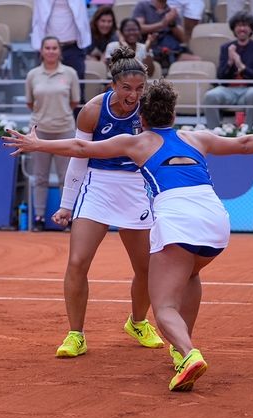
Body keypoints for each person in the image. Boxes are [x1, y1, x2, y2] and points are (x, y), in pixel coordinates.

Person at [3, 80, 253, 391]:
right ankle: (182, 347)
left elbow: (81, 147)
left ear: (142, 118)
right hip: (217, 223)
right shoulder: (196, 138)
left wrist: (36, 144)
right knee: (191, 273)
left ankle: (188, 352)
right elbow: (245, 144)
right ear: (174, 113)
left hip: (178, 221)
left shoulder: (137, 143)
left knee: (164, 306)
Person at [38, 46, 162, 358]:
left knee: (146, 268)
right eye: (126, 89)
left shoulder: (148, 110)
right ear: (112, 86)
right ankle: (75, 334)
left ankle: (137, 322)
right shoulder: (93, 110)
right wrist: (67, 204)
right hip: (98, 186)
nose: (133, 95)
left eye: (139, 89)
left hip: (135, 187)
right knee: (78, 262)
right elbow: (79, 158)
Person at [25, 36, 80, 232]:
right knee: (40, 176)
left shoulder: (70, 73)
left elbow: (75, 102)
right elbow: (30, 103)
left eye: (54, 48)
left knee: (67, 176)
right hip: (38, 132)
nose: (50, 51)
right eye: (47, 47)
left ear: (59, 51)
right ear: (41, 51)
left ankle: (68, 217)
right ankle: (39, 217)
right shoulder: (33, 75)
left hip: (65, 130)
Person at [203, 11, 253, 129]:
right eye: (239, 25)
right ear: (234, 29)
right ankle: (214, 131)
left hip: (249, 89)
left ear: (251, 29)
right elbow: (221, 77)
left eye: (245, 25)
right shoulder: (226, 48)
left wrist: (240, 65)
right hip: (228, 90)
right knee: (210, 96)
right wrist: (229, 62)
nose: (242, 29)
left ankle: (249, 131)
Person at [31, 0, 91, 107]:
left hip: (73, 46)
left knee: (77, 90)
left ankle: (77, 122)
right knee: (43, 88)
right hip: (48, 47)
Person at [133, 0, 199, 71]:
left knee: (196, 61)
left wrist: (172, 24)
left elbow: (183, 39)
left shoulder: (171, 11)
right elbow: (138, 28)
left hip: (171, 51)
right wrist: (162, 24)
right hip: (149, 51)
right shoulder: (143, 5)